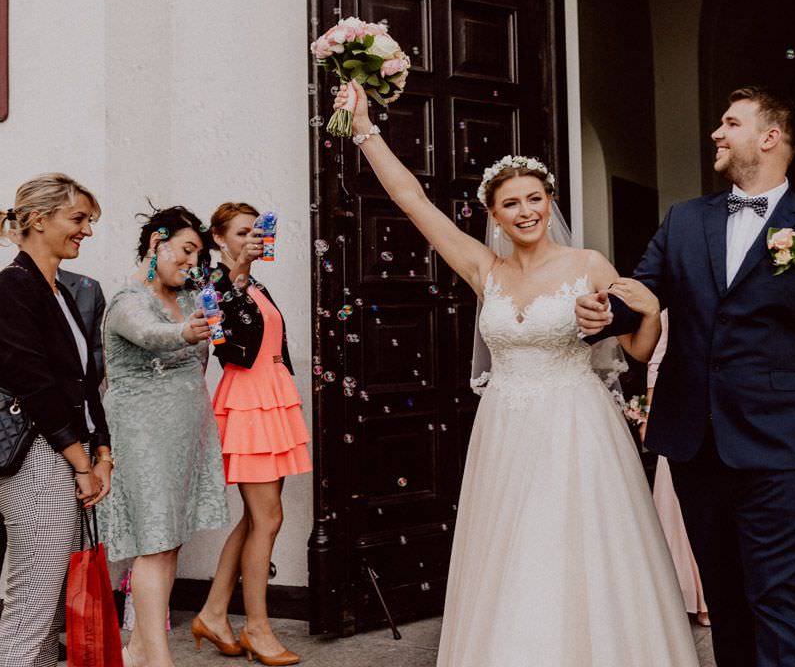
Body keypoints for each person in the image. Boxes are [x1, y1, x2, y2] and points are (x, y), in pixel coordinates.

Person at [335, 80, 700, 667]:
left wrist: (652, 312)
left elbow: (635, 350)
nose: (526, 211)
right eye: (511, 203)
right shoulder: (485, 269)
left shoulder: (588, 264)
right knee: (514, 548)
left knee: (573, 544)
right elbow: (412, 201)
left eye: (535, 199)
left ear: (550, 202)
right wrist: (364, 129)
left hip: (577, 427)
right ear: (494, 215)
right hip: (505, 428)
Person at [578, 86, 795, 667]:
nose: (716, 133)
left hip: (779, 447)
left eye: (731, 123)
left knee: (780, 597)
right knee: (725, 596)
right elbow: (643, 291)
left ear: (770, 137)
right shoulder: (685, 219)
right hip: (694, 442)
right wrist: (607, 313)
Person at [99, 206, 228, 667]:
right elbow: (150, 334)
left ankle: (137, 650)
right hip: (144, 438)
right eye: (187, 250)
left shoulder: (191, 297)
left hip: (183, 435)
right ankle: (157, 658)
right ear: (158, 242)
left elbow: (200, 362)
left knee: (169, 541)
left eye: (198, 255)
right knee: (154, 544)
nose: (192, 262)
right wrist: (184, 332)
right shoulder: (127, 300)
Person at [0, 174, 112, 667]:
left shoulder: (62, 292)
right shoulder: (12, 287)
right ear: (39, 220)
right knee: (32, 602)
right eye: (78, 219)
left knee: (48, 610)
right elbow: (35, 385)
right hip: (38, 456)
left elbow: (85, 382)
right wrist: (81, 463)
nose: (87, 230)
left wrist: (102, 452)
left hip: (69, 452)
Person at [191, 203, 310, 665]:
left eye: (255, 232)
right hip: (248, 404)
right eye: (241, 233)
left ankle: (213, 612)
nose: (251, 240)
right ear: (219, 238)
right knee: (268, 517)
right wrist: (240, 267)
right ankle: (256, 627)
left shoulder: (256, 284)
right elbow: (225, 335)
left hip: (271, 399)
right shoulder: (212, 284)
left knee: (257, 518)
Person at [645, 312, 709, 626]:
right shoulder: (674, 306)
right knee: (678, 512)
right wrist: (650, 411)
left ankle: (708, 597)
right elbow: (656, 358)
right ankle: (682, 593)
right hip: (680, 414)